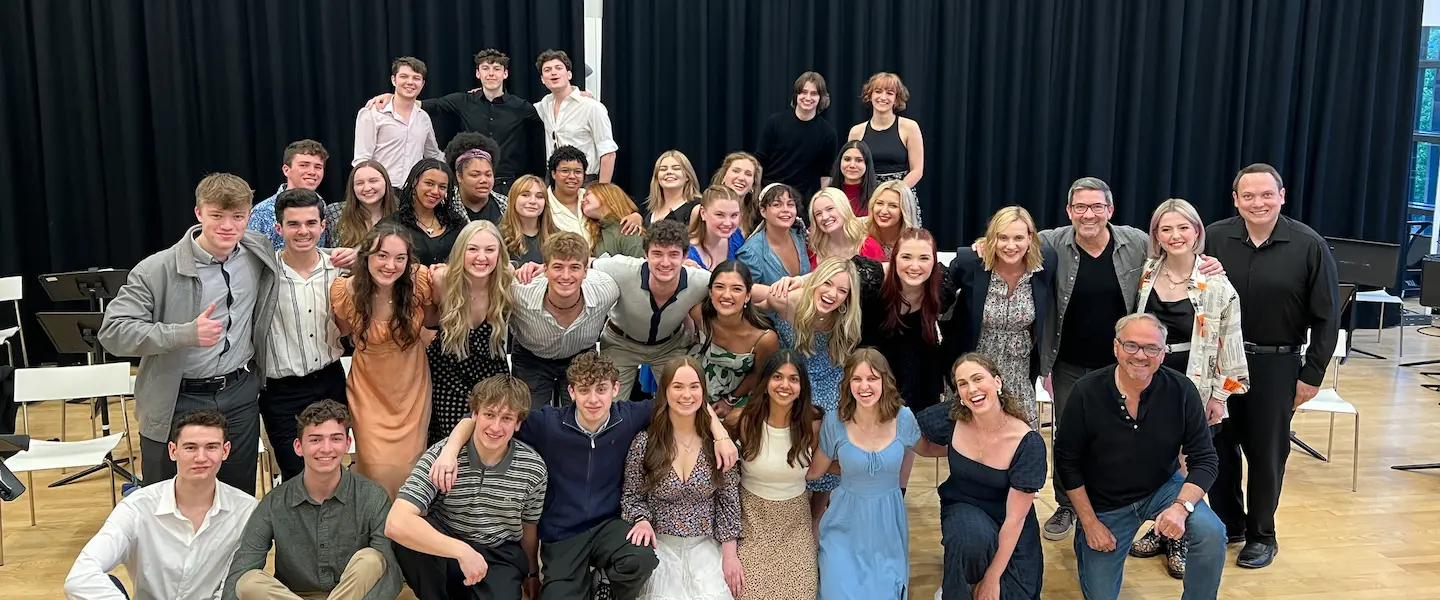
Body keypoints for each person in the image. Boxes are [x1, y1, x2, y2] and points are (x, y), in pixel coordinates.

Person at [428, 351, 739, 600]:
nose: (594, 399)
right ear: (571, 391)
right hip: (563, 535)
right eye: (585, 390)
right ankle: (584, 583)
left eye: (602, 390)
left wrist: (720, 433)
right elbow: (482, 416)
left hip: (609, 525)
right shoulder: (548, 425)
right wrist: (449, 450)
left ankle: (609, 588)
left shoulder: (628, 417)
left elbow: (683, 401)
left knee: (641, 558)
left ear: (615, 389)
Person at [1037, 177, 1221, 541]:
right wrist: (983, 244)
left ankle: (1138, 508)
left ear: (1110, 210)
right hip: (1069, 362)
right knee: (1069, 438)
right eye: (1080, 207)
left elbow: (1177, 254)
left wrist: (1206, 262)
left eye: (1097, 207)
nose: (1088, 214)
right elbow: (1012, 240)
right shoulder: (1051, 242)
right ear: (1068, 211)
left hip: (1126, 365)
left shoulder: (1135, 243)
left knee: (1130, 439)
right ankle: (1067, 504)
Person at [99, 173, 278, 493]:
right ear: (198, 213)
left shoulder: (257, 250)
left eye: (238, 217)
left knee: (237, 499)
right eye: (217, 216)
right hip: (177, 398)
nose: (228, 226)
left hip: (239, 395)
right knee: (168, 500)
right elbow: (113, 332)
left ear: (249, 215)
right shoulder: (156, 269)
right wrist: (183, 334)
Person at [1204, 163, 1339, 569]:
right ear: (1235, 200)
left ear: (1282, 196)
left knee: (1266, 454)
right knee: (1219, 448)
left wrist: (1311, 376)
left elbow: (1328, 317)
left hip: (1276, 365)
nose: (1258, 202)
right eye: (1248, 196)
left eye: (1266, 195)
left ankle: (1263, 534)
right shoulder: (1214, 236)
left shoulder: (1308, 245)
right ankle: (1229, 524)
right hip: (1220, 363)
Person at [1053, 313, 1226, 599]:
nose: (1140, 355)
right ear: (1116, 347)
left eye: (1151, 348)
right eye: (1131, 345)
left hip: (1162, 487)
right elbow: (1066, 463)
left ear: (1163, 353)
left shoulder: (1181, 390)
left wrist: (1181, 507)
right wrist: (1090, 523)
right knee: (1100, 594)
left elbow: (1205, 458)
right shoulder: (1086, 391)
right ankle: (1084, 540)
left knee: (1211, 533)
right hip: (1105, 503)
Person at [1128, 198, 1250, 577]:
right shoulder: (1148, 271)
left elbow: (1231, 343)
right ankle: (1162, 530)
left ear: (1198, 232)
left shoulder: (1216, 283)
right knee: (1155, 457)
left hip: (1194, 385)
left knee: (1186, 462)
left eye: (1183, 228)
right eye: (1166, 229)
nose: (1175, 236)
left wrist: (1219, 396)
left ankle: (1179, 535)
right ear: (1156, 236)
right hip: (1150, 380)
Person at [65, 411, 258, 600]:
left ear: (225, 451)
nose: (201, 457)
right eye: (190, 448)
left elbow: (231, 587)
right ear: (173, 451)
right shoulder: (136, 507)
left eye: (211, 447)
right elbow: (81, 577)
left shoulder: (246, 510)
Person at [387, 376, 548, 600]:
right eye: (489, 415)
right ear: (474, 415)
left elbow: (529, 526)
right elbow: (395, 522)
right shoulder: (442, 456)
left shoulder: (533, 468)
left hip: (499, 552)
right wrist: (462, 551)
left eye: (507, 418)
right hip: (447, 545)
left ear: (518, 423)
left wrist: (532, 573)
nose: (495, 427)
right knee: (409, 539)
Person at [225, 401, 401, 600]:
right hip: (293, 596)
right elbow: (241, 569)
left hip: (356, 595)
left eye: (335, 439)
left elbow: (391, 575)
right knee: (248, 581)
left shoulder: (372, 496)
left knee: (372, 560)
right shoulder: (274, 502)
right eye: (316, 440)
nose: (326, 449)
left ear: (347, 444)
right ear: (298, 446)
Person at [914, 353, 1045, 600]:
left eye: (977, 379)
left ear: (997, 382)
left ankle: (963, 576)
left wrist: (992, 578)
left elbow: (1015, 520)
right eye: (962, 384)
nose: (971, 389)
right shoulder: (952, 417)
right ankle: (956, 585)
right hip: (964, 507)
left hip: (1009, 521)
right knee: (971, 541)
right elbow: (911, 431)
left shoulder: (1027, 442)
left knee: (1010, 594)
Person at [621, 356, 744, 599]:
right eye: (678, 386)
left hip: (706, 546)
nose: (686, 395)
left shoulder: (717, 444)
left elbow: (729, 501)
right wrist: (640, 520)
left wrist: (730, 555)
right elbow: (631, 497)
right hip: (660, 546)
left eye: (694, 387)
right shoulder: (645, 442)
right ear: (665, 391)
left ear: (703, 392)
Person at [330, 222, 437, 497]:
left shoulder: (420, 281)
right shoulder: (346, 290)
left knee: (410, 466)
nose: (391, 265)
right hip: (368, 388)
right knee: (374, 466)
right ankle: (375, 530)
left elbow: (436, 317)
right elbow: (342, 331)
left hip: (411, 385)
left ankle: (407, 529)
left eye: (400, 258)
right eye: (382, 255)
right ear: (366, 256)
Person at [755, 257, 863, 522]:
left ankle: (816, 516)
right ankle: (791, 503)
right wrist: (799, 280)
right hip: (792, 377)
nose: (832, 294)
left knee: (830, 421)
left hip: (829, 379)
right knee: (799, 416)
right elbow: (748, 298)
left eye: (842, 291)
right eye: (827, 284)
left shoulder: (846, 318)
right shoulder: (790, 299)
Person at [807, 349, 920, 599]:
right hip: (844, 521)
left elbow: (927, 448)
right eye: (857, 379)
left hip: (887, 523)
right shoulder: (835, 421)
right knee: (836, 589)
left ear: (884, 381)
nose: (864, 386)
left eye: (872, 378)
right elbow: (815, 472)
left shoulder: (904, 418)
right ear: (847, 383)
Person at [259, 189, 348, 481]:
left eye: (311, 223)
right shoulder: (263, 272)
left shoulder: (340, 268)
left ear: (323, 226)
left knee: (332, 465)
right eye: (294, 224)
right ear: (279, 228)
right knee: (294, 472)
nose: (303, 231)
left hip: (330, 380)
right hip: (281, 390)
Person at [945, 207, 1059, 430]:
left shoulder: (1046, 264)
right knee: (973, 434)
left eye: (1018, 238)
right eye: (1002, 237)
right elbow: (941, 295)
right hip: (975, 366)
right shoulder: (970, 262)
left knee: (1020, 435)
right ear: (991, 238)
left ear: (1030, 239)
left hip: (1020, 369)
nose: (1010, 245)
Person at [724, 350, 820, 600]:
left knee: (803, 593)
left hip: (795, 524)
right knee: (747, 593)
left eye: (793, 379)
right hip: (752, 521)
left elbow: (826, 467)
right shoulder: (742, 420)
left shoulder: (814, 424)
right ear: (765, 382)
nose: (785, 385)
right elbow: (720, 463)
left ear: (802, 387)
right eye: (777, 377)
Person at [591, 220, 712, 402]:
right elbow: (584, 263)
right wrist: (537, 269)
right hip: (621, 342)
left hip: (670, 345)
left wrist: (771, 292)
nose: (665, 263)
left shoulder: (699, 279)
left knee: (683, 402)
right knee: (609, 405)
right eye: (657, 254)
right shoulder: (622, 268)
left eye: (673, 254)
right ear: (646, 254)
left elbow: (738, 286)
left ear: (685, 255)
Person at [425, 221, 513, 446]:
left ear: (500, 253)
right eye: (472, 249)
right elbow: (423, 321)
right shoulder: (442, 279)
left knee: (493, 436)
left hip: (492, 370)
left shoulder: (506, 278)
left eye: (489, 250)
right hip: (449, 372)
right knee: (452, 441)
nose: (481, 257)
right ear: (460, 250)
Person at [508, 232, 620, 407]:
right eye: (558, 267)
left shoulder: (607, 290)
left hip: (581, 355)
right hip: (531, 357)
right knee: (529, 418)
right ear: (544, 269)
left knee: (580, 416)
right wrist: (512, 268)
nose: (566, 276)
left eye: (574, 267)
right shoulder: (518, 292)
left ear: (586, 271)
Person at [410, 49, 543, 190]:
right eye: (485, 68)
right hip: (470, 182)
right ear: (478, 73)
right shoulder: (464, 101)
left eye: (496, 69)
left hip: (507, 185)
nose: (491, 73)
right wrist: (392, 98)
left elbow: (542, 133)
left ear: (505, 74)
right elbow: (427, 105)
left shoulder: (522, 107)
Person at [689, 260, 779, 412]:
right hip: (695, 387)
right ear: (710, 292)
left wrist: (730, 401)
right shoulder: (698, 314)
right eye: (719, 287)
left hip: (737, 396)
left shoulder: (764, 338)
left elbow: (759, 375)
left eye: (736, 289)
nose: (726, 295)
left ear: (748, 296)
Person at [353, 57, 444, 185]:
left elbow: (433, 156)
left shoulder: (423, 118)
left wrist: (462, 164)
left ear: (422, 84)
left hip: (412, 194)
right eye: (404, 76)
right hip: (381, 192)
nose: (410, 82)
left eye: (416, 78)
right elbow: (362, 160)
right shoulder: (372, 113)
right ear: (393, 80)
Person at [755, 71, 839, 205]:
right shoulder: (775, 122)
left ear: (821, 97)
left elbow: (826, 174)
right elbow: (759, 161)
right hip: (769, 192)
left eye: (814, 93)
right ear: (796, 95)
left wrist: (824, 202)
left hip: (800, 199)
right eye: (803, 92)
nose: (808, 97)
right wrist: (757, 195)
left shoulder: (828, 133)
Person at [535, 49, 617, 183]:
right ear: (543, 80)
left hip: (585, 181)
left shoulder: (591, 107)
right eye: (547, 70)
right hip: (554, 182)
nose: (553, 72)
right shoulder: (544, 105)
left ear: (569, 74)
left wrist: (602, 192)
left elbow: (608, 152)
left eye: (558, 68)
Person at [848, 72, 925, 216]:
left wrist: (892, 193)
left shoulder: (909, 127)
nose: (883, 97)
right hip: (867, 197)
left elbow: (917, 170)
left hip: (899, 195)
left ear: (896, 99)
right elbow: (850, 170)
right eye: (878, 91)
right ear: (869, 96)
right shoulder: (856, 132)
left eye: (889, 93)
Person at [247, 139, 330, 250]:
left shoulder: (322, 206)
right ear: (286, 170)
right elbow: (252, 257)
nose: (312, 172)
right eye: (304, 165)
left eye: (318, 167)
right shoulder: (262, 212)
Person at [384, 158, 468, 267]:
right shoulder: (392, 224)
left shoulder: (456, 223)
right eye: (429, 183)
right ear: (415, 182)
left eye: (442, 187)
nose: (435, 191)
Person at [736, 183, 810, 285]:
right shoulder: (750, 253)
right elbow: (746, 293)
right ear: (763, 211)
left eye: (790, 204)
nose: (785, 209)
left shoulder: (799, 235)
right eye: (777, 205)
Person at [329, 161, 400, 250]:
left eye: (373, 181)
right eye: (359, 183)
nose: (367, 188)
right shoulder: (334, 212)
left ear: (386, 182)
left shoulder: (402, 214)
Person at [807, 187, 886, 266]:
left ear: (844, 208)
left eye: (830, 209)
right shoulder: (814, 249)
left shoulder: (868, 246)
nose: (825, 217)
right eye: (818, 214)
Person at [498, 174, 559, 268]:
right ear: (513, 199)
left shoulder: (557, 236)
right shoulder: (497, 237)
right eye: (525, 195)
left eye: (539, 196)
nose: (533, 201)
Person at [446, 132, 507, 224]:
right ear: (459, 176)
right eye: (475, 175)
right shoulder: (444, 206)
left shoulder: (506, 207)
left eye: (488, 175)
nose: (484, 180)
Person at [688, 185, 746, 270]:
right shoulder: (687, 252)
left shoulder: (736, 237)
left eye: (734, 215)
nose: (727, 223)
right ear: (703, 213)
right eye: (720, 215)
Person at [582, 182, 645, 258]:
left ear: (607, 195)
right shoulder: (596, 232)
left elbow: (640, 266)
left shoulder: (629, 228)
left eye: (588, 194)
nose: (582, 201)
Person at [643, 150, 704, 226]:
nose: (669, 172)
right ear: (657, 178)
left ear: (688, 176)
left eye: (676, 168)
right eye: (663, 169)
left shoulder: (698, 207)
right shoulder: (649, 213)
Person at [865, 181, 920, 259]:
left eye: (893, 206)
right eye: (880, 203)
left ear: (904, 210)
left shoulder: (916, 241)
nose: (884, 211)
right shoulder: (859, 230)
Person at [711, 152, 762, 234]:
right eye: (736, 171)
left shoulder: (758, 217)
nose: (741, 178)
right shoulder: (705, 208)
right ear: (723, 176)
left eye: (748, 174)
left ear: (753, 184)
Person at [828, 140, 877, 217]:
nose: (852, 165)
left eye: (859, 160)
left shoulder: (877, 196)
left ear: (867, 164)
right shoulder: (827, 195)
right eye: (847, 159)